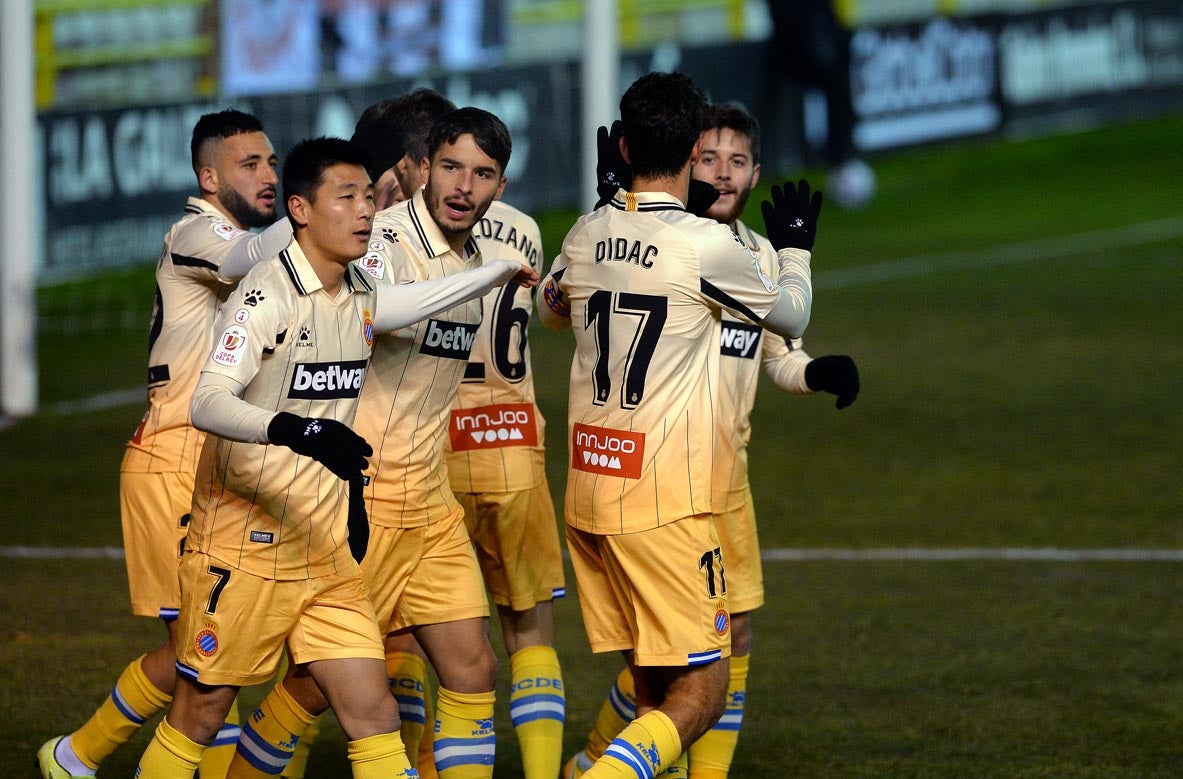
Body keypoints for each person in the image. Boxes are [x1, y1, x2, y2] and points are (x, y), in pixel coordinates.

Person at [131, 135, 533, 778]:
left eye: (368, 199)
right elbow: (207, 401)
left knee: (372, 714)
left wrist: (493, 271)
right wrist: (297, 431)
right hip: (243, 545)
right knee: (201, 713)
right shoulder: (264, 296)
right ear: (301, 210)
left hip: (324, 552)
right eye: (345, 199)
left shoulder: (360, 290)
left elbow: (406, 304)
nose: (365, 213)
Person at [537, 70, 821, 779]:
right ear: (693, 147)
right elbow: (790, 316)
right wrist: (794, 251)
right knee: (703, 684)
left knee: (650, 674)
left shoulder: (587, 229)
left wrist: (610, 200)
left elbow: (550, 306)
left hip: (589, 488)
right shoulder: (706, 244)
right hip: (663, 498)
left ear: (624, 145)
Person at [37, 108, 293, 779]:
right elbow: (248, 255)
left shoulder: (252, 243)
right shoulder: (197, 232)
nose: (267, 175)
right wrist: (320, 205)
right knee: (201, 647)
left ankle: (77, 756)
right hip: (173, 460)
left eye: (271, 161)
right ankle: (77, 753)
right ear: (208, 176)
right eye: (250, 164)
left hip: (222, 464)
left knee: (223, 645)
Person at [763, 0, 876, 208]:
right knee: (831, 85)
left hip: (816, 40)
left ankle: (840, 159)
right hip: (791, 44)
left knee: (838, 87)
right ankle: (766, 162)